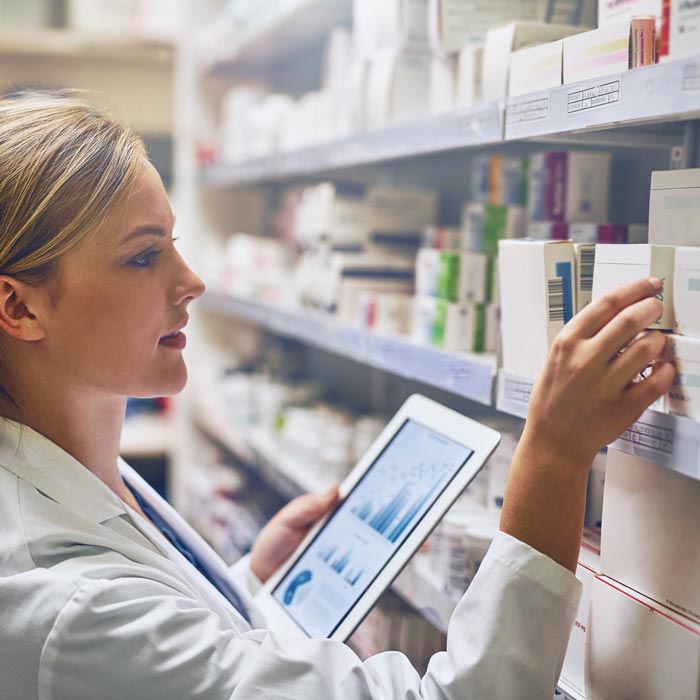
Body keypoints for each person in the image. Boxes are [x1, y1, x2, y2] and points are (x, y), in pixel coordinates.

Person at [0, 92, 675, 700]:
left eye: (173, 241)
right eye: (143, 256)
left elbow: (164, 651)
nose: (193, 281)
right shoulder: (70, 605)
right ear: (19, 307)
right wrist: (554, 457)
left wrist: (247, 585)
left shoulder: (65, 469)